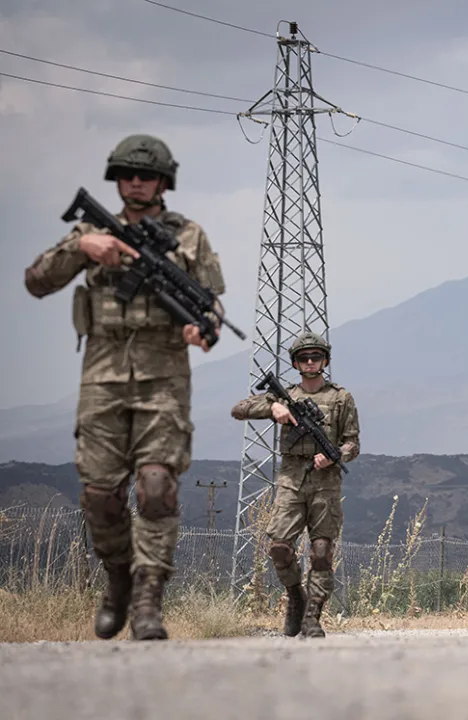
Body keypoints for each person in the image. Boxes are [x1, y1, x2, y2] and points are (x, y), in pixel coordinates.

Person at [23, 134, 227, 640]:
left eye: (146, 175)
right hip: (103, 375)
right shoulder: (93, 231)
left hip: (164, 377)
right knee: (100, 495)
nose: (136, 182)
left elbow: (212, 303)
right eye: (127, 175)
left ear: (163, 182)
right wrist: (81, 246)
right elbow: (36, 280)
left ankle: (147, 602)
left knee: (157, 488)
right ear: (116, 180)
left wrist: (203, 328)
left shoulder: (189, 235)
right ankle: (117, 574)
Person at [230, 331, 360, 638]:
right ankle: (296, 596)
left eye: (316, 357)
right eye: (304, 358)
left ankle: (313, 616)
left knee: (321, 550)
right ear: (296, 363)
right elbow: (239, 409)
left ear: (325, 361)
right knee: (279, 548)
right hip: (291, 478)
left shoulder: (341, 398)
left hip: (325, 482)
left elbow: (353, 444)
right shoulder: (284, 396)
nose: (311, 362)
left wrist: (333, 457)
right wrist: (273, 409)